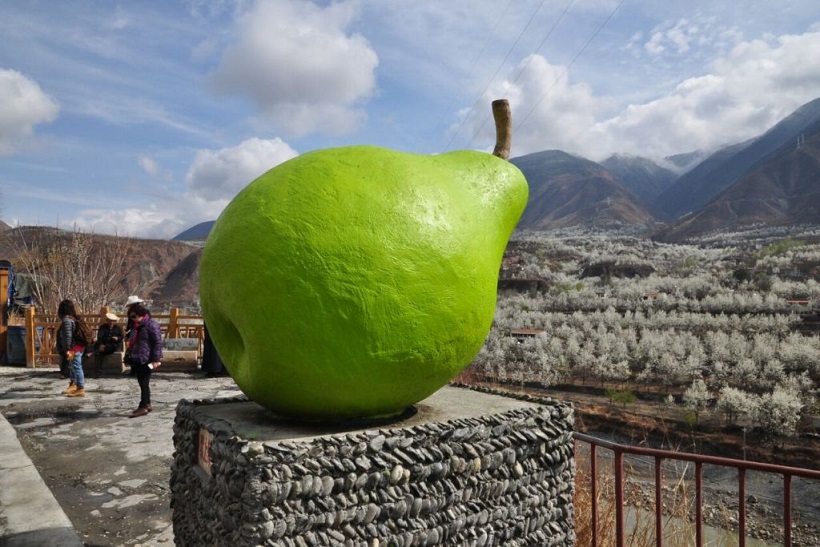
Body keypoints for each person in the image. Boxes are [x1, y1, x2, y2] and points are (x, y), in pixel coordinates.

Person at [124, 302, 162, 418]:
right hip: (138, 357)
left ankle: (144, 406)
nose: (133, 319)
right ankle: (146, 404)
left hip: (147, 358)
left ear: (141, 314)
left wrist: (156, 359)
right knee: (142, 382)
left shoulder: (151, 325)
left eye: (134, 316)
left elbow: (157, 343)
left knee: (144, 383)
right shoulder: (136, 326)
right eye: (131, 317)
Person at [57, 299, 88, 398]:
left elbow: (68, 336)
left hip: (73, 348)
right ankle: (73, 384)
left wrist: (67, 349)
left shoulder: (67, 320)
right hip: (77, 347)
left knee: (76, 366)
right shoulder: (74, 318)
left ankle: (80, 388)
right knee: (72, 366)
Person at [91, 313, 124, 377]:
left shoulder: (118, 328)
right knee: (99, 353)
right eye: (110, 320)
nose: (111, 322)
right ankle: (98, 371)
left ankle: (94, 353)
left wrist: (117, 338)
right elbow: (100, 337)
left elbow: (121, 336)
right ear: (107, 320)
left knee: (101, 351)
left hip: (113, 345)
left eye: (113, 321)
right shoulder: (102, 327)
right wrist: (101, 344)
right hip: (104, 344)